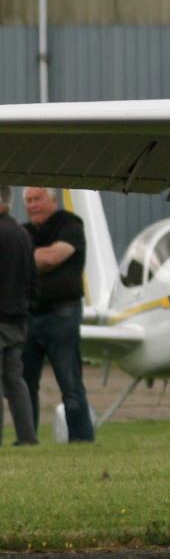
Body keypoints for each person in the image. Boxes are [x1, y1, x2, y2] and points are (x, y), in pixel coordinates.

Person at [23, 188, 92, 443]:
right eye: (28, 201)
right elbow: (45, 258)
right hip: (28, 317)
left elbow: (51, 258)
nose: (33, 205)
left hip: (62, 314)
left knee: (71, 385)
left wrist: (24, 258)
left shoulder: (70, 224)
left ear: (53, 199)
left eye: (38, 199)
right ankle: (26, 439)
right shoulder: (24, 232)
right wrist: (37, 258)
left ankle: (82, 440)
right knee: (24, 386)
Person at [0, 187, 38, 445]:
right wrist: (27, 306)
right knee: (15, 379)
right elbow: (33, 278)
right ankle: (27, 437)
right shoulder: (22, 233)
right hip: (17, 318)